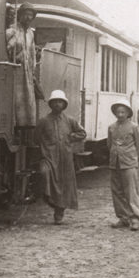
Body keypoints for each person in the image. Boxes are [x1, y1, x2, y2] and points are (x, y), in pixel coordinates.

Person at [35, 89, 87, 224]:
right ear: (51, 104)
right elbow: (36, 138)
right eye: (55, 102)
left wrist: (71, 137)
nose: (58, 104)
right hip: (49, 157)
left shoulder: (70, 120)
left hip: (65, 158)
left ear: (64, 105)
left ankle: (59, 212)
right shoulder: (43, 121)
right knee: (44, 173)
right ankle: (49, 200)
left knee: (64, 185)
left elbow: (82, 133)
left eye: (60, 102)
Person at [107, 98, 139, 231]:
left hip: (129, 163)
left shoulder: (134, 127)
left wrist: (132, 159)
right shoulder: (111, 127)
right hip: (114, 163)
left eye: (123, 112)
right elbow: (109, 144)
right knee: (117, 190)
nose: (120, 114)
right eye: (118, 112)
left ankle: (135, 218)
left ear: (128, 113)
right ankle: (123, 217)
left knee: (131, 191)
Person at [5, 2, 43, 130]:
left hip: (27, 72)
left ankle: (25, 128)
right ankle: (15, 126)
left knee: (28, 99)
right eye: (25, 14)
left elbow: (32, 53)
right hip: (16, 69)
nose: (28, 18)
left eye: (30, 15)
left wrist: (33, 71)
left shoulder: (31, 34)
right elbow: (7, 49)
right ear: (20, 15)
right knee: (17, 99)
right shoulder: (11, 30)